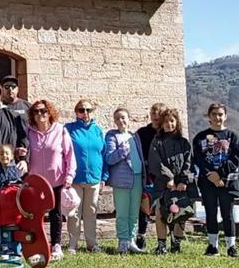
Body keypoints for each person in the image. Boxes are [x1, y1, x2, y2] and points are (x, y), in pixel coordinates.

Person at [26, 99, 76, 262]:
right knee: (35, 214)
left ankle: (56, 245)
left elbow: (69, 155)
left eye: (43, 111)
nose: (40, 114)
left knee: (55, 214)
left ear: (50, 113)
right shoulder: (28, 132)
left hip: (56, 180)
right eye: (36, 111)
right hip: (35, 182)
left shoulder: (60, 131)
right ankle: (37, 244)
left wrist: (69, 175)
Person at [192, 103, 239, 258]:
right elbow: (199, 159)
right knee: (211, 212)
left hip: (228, 181)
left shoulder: (232, 137)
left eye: (220, 114)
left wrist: (220, 174)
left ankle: (231, 246)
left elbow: (235, 159)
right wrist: (211, 176)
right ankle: (213, 246)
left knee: (227, 214)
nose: (217, 117)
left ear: (225, 116)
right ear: (209, 116)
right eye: (214, 114)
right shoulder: (200, 137)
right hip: (208, 182)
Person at [148, 108, 193, 255]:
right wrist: (168, 178)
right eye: (166, 122)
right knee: (160, 213)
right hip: (163, 184)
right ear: (161, 124)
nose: (169, 124)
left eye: (172, 121)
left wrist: (184, 181)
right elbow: (155, 162)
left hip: (181, 185)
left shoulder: (184, 143)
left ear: (177, 122)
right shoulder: (157, 142)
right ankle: (162, 245)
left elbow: (188, 163)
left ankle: (176, 243)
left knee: (180, 214)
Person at [64, 99, 107, 254]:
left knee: (91, 212)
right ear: (76, 112)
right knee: (74, 212)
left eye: (88, 110)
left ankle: (91, 243)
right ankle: (72, 245)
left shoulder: (98, 131)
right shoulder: (69, 129)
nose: (85, 113)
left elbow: (104, 154)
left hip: (94, 178)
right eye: (81, 110)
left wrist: (104, 177)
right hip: (75, 178)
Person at [105, 108, 145, 254]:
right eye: (117, 118)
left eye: (123, 117)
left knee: (134, 212)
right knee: (122, 212)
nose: (121, 121)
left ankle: (131, 240)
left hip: (137, 178)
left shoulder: (135, 136)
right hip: (121, 180)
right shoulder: (112, 136)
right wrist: (123, 150)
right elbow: (109, 158)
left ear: (129, 119)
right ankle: (122, 241)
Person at [134, 102, 166, 249]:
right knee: (144, 206)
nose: (155, 116)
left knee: (163, 206)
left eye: (158, 113)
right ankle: (141, 235)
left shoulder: (167, 133)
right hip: (147, 175)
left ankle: (165, 239)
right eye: (153, 113)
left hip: (164, 174)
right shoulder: (142, 132)